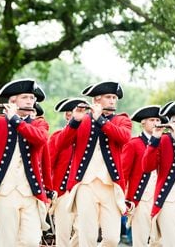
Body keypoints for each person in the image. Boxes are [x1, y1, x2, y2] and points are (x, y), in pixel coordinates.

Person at [0, 78, 53, 247]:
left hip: (31, 192)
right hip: (4, 192)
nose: (30, 101)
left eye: (32, 98)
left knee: (30, 241)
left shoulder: (39, 123)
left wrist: (15, 119)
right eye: (25, 97)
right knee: (8, 241)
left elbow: (40, 139)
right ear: (12, 101)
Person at [55, 81, 132, 247]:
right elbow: (60, 144)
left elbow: (124, 138)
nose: (113, 101)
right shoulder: (82, 120)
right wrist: (74, 121)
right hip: (85, 185)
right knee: (87, 236)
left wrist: (101, 120)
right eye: (108, 97)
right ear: (97, 100)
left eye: (114, 98)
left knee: (112, 238)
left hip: (111, 185)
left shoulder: (121, 120)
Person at [143, 98, 175, 246]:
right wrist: (154, 139)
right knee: (172, 243)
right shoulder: (163, 140)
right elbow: (147, 167)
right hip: (168, 201)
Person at [122, 105, 167, 246]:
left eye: (158, 120)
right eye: (152, 120)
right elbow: (124, 173)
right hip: (139, 199)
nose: (156, 123)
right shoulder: (133, 144)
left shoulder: (165, 142)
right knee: (140, 240)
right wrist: (123, 198)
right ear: (143, 123)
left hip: (162, 197)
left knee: (159, 240)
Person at [50, 97, 88, 247]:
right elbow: (49, 166)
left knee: (83, 232)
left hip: (84, 190)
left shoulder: (89, 138)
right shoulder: (57, 137)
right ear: (67, 115)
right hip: (63, 192)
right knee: (63, 235)